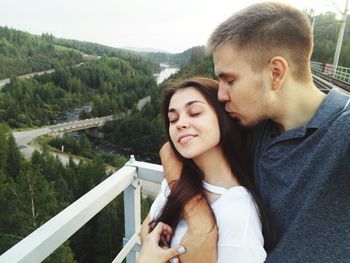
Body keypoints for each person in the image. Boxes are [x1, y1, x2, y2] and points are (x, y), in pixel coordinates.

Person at [160, 2, 350, 262]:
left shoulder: (343, 132)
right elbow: (170, 150)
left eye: (230, 80)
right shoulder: (253, 125)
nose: (221, 94)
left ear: (275, 73)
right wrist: (200, 219)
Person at [139, 77, 275, 263]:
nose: (180, 124)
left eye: (194, 113)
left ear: (223, 118)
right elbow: (147, 229)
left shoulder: (238, 214)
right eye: (173, 118)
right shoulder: (177, 179)